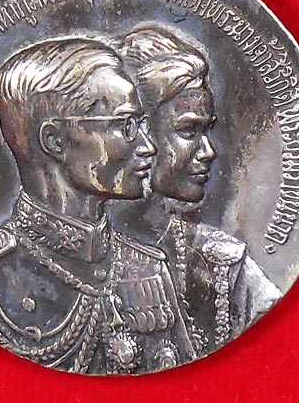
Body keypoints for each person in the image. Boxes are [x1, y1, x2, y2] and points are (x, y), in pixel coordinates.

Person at [0, 37, 195, 373]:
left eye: (141, 125)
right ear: (55, 141)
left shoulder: (149, 269)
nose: (148, 146)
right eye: (126, 126)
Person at [116, 27, 281, 353]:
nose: (208, 151)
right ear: (138, 131)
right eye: (188, 130)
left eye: (206, 130)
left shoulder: (226, 268)